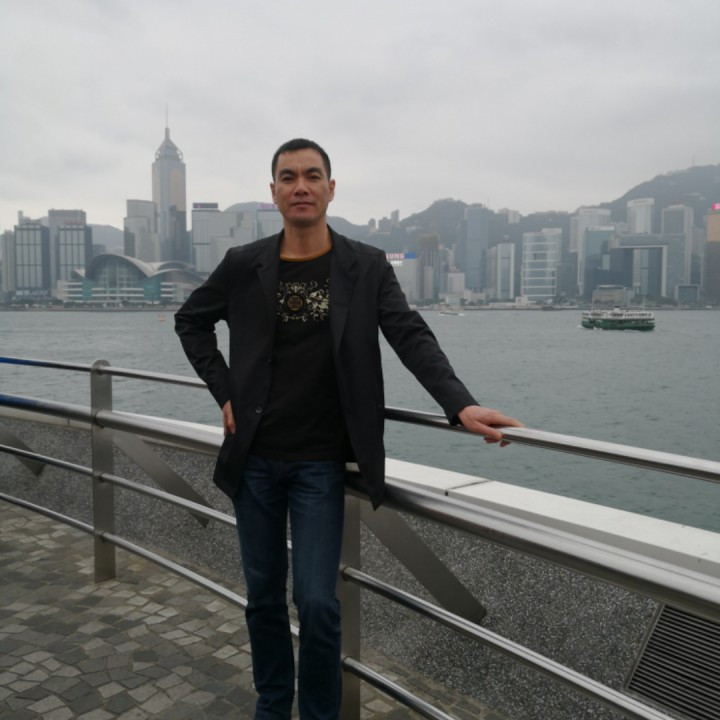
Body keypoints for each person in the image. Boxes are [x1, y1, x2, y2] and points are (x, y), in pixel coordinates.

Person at [174, 138, 522, 720]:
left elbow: (409, 334)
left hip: (320, 462)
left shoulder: (366, 266)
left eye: (312, 176)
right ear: (274, 192)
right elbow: (191, 322)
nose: (301, 186)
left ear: (331, 189)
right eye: (289, 177)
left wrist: (460, 405)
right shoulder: (243, 264)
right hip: (254, 459)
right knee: (263, 598)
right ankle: (272, 706)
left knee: (317, 601)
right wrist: (225, 390)